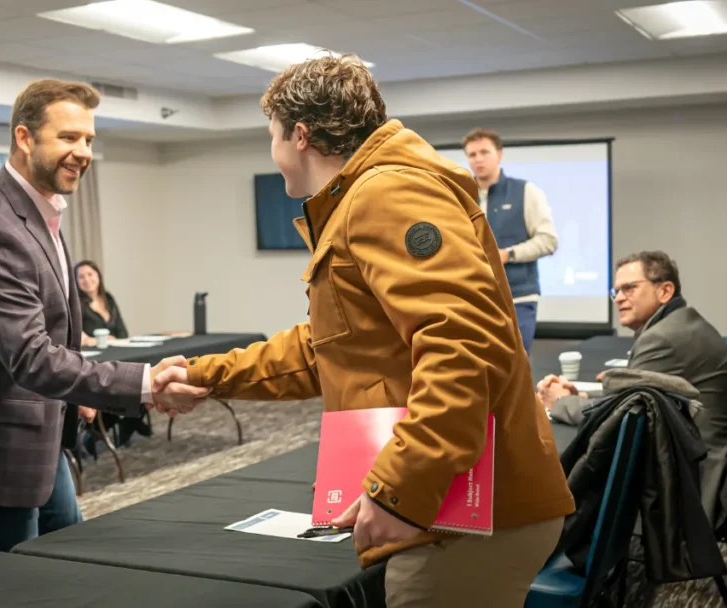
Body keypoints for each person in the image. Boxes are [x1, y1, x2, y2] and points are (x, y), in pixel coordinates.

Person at [153, 55, 575, 608]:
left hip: (466, 514)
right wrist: (207, 373)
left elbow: (462, 345)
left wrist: (400, 488)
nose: (274, 153)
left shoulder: (386, 195)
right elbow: (330, 346)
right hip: (460, 507)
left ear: (300, 135)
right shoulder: (368, 196)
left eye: (273, 136)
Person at [0, 78, 208, 552]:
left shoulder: (37, 208)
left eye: (89, 139)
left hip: (36, 427)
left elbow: (50, 329)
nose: (84, 151)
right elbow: (31, 357)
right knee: (16, 587)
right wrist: (145, 385)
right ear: (25, 139)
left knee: (73, 555)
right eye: (68, 138)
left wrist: (80, 392)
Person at [539, 251, 727, 524]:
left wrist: (559, 402)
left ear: (665, 291)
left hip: (694, 487)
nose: (618, 297)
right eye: (616, 290)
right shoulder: (680, 323)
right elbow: (635, 396)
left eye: (630, 288)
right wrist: (582, 396)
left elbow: (616, 418)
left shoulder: (664, 338)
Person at [463, 128, 558, 355]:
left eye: (484, 152)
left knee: (516, 366)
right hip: (474, 300)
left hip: (518, 298)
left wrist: (507, 254)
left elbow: (548, 240)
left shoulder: (525, 191)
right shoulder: (462, 195)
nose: (478, 159)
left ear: (499, 155)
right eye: (472, 154)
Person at [75, 260, 151, 448]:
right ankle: (114, 426)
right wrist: (97, 340)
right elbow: (79, 336)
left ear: (98, 276)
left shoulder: (108, 299)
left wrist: (114, 339)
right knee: (118, 384)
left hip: (118, 353)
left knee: (140, 374)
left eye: (90, 274)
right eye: (81, 276)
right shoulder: (75, 304)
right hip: (94, 360)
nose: (87, 280)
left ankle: (131, 420)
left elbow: (123, 332)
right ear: (75, 282)